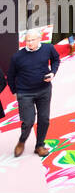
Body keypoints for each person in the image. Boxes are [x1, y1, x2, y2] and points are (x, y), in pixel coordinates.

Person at [9, 29, 60, 158]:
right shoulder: (17, 57)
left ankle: (39, 146)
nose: (29, 43)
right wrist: (14, 91)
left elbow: (56, 59)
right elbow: (11, 75)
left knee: (44, 119)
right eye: (27, 40)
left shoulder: (48, 48)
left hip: (44, 90)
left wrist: (53, 72)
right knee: (28, 121)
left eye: (32, 40)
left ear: (39, 39)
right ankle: (21, 142)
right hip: (25, 93)